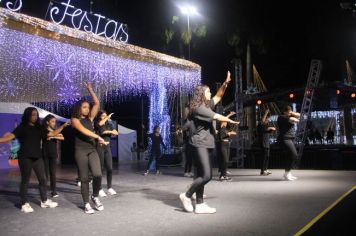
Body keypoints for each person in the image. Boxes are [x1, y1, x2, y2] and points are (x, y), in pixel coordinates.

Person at [179, 82, 239, 214]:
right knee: (207, 175)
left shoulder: (207, 105)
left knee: (201, 174)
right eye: (208, 91)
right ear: (201, 94)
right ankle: (187, 195)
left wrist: (226, 83)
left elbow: (218, 96)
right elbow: (216, 116)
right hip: (200, 143)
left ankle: (200, 204)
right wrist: (230, 120)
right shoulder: (199, 108)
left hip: (207, 143)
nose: (210, 93)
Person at [0, 107, 60, 213]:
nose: (35, 116)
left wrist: (63, 125)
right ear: (27, 115)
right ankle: (24, 203)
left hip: (38, 157)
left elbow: (52, 134)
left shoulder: (39, 127)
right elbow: (9, 137)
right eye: (33, 114)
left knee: (43, 179)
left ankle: (44, 200)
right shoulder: (22, 127)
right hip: (25, 157)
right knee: (25, 181)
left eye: (36, 114)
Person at [71, 82, 108, 214]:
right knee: (84, 178)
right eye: (84, 107)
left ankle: (95, 196)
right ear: (79, 108)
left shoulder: (90, 118)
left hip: (92, 149)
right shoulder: (74, 120)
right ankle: (86, 203)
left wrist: (91, 90)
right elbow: (83, 131)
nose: (87, 109)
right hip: (80, 151)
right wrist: (97, 137)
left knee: (97, 174)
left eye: (88, 107)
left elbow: (97, 104)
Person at [42, 114, 69, 198]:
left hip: (53, 154)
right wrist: (57, 133)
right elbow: (51, 134)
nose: (54, 123)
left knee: (53, 173)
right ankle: (44, 190)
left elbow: (62, 137)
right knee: (45, 174)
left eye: (55, 121)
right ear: (47, 122)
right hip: (45, 154)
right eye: (52, 121)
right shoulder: (43, 130)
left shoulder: (54, 130)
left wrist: (53, 136)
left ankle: (53, 191)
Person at [95, 111, 119, 197]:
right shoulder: (97, 123)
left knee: (110, 168)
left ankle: (109, 187)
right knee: (100, 169)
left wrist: (109, 131)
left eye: (105, 115)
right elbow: (102, 132)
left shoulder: (109, 124)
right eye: (103, 115)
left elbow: (116, 132)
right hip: (100, 147)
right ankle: (99, 188)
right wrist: (110, 131)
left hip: (108, 147)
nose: (105, 117)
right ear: (100, 116)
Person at [277, 106, 300, 181]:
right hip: (284, 139)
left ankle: (288, 173)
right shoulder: (281, 117)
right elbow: (294, 119)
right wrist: (293, 117)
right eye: (289, 111)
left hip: (289, 139)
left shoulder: (288, 115)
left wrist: (291, 113)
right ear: (284, 112)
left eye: (290, 111)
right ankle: (287, 173)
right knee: (294, 154)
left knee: (290, 156)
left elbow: (299, 115)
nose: (290, 113)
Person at [218, 111, 236, 181]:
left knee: (226, 161)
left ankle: (224, 175)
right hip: (223, 145)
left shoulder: (226, 129)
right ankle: (222, 175)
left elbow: (227, 136)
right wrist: (230, 114)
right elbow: (222, 138)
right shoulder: (221, 128)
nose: (226, 122)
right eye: (224, 121)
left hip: (227, 145)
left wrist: (230, 133)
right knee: (225, 160)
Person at [256, 109, 276, 176]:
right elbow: (262, 122)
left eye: (267, 120)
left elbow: (269, 131)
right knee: (263, 157)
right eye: (266, 120)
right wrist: (266, 113)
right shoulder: (260, 126)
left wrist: (272, 129)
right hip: (263, 143)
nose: (267, 121)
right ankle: (262, 171)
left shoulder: (265, 127)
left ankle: (266, 169)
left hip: (267, 143)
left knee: (267, 157)